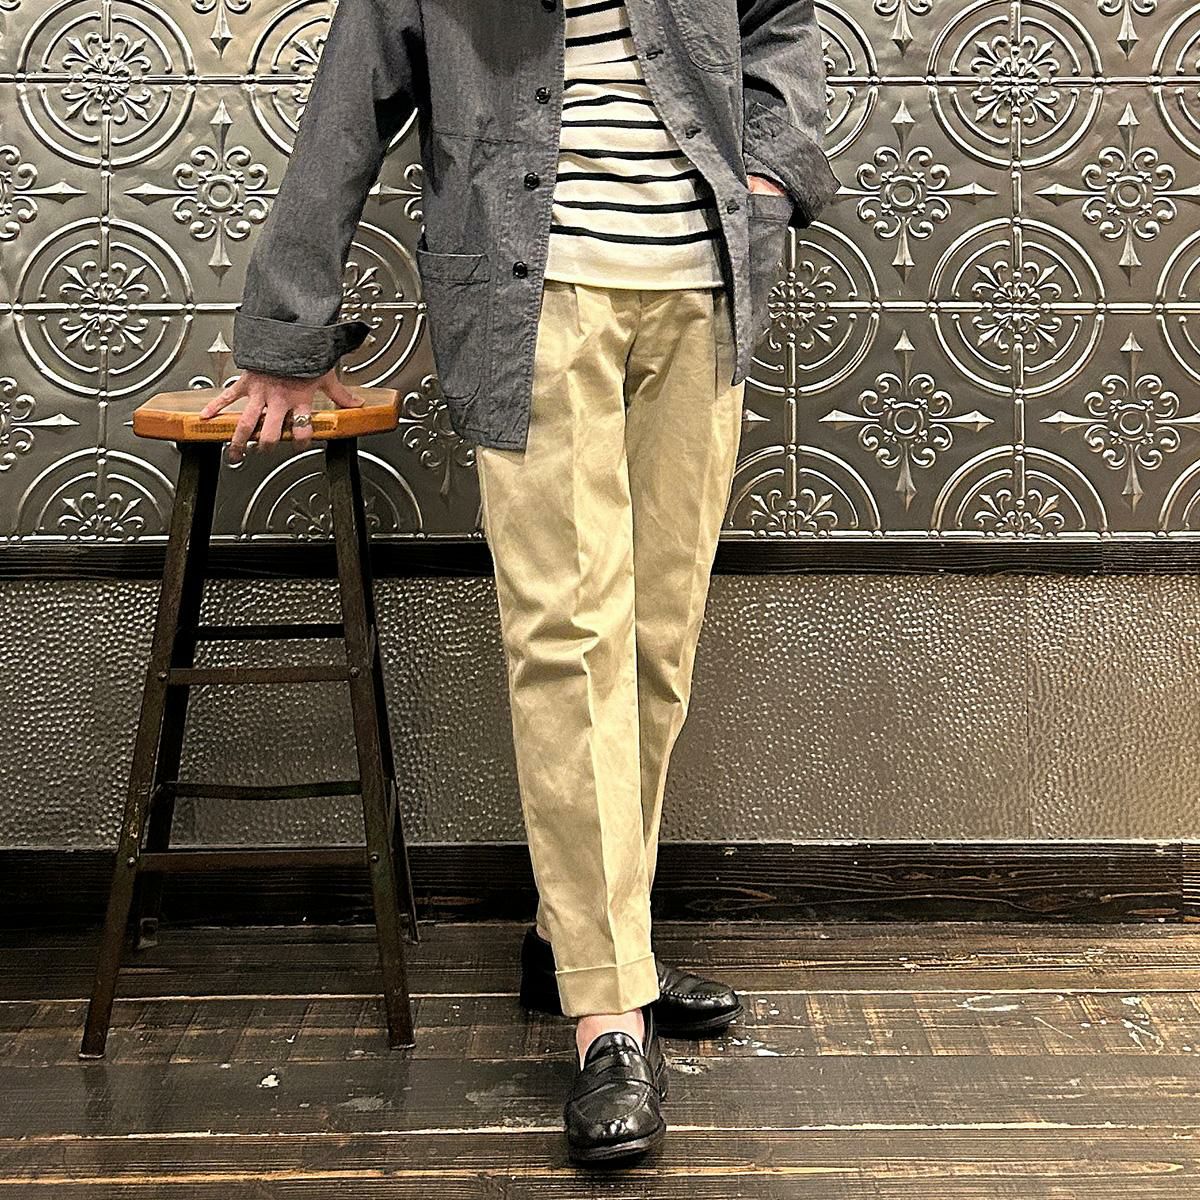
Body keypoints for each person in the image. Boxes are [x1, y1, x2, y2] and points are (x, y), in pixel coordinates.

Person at [208, 0, 837, 1167]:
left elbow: (780, 23)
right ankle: (607, 1016)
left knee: (655, 643)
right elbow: (346, 109)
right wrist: (284, 332)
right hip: (529, 297)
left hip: (704, 294)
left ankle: (588, 940)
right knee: (567, 637)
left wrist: (768, 177)